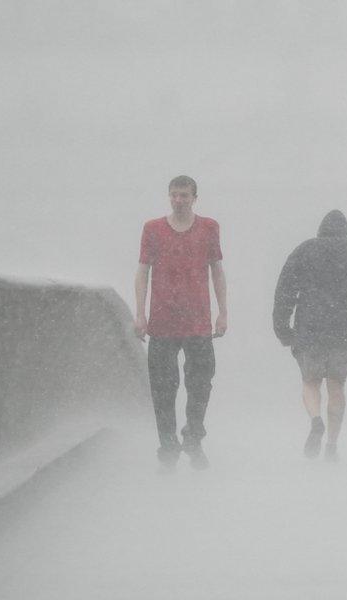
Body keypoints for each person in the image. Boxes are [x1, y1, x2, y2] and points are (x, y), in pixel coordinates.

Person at [135, 175, 227, 470]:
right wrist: (140, 313)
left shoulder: (209, 228)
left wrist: (222, 311)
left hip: (198, 322)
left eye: (184, 195)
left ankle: (193, 437)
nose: (178, 200)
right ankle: (168, 446)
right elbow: (142, 272)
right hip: (162, 323)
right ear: (169, 197)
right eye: (174, 195)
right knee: (163, 389)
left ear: (194, 197)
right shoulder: (153, 229)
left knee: (201, 385)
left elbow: (217, 271)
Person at [273, 210, 347, 462]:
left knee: (310, 381)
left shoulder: (305, 250)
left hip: (310, 327)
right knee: (337, 385)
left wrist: (282, 327)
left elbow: (285, 289)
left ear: (320, 229)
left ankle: (316, 420)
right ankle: (331, 444)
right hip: (344, 329)